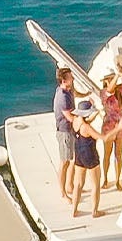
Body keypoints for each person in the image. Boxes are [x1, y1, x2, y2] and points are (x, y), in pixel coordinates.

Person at [67, 99, 104, 218]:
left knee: (78, 184)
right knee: (95, 184)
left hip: (79, 153)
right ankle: (95, 211)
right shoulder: (87, 128)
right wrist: (117, 129)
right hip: (90, 155)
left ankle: (74, 210)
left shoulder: (75, 122)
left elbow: (86, 121)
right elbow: (103, 138)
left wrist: (96, 113)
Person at [97, 75, 122, 191]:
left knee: (118, 154)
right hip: (109, 125)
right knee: (107, 154)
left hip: (120, 125)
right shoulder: (104, 93)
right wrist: (117, 74)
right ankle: (105, 178)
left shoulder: (120, 91)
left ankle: (117, 180)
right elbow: (109, 90)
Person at [52, 67, 77, 203]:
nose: (72, 79)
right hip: (64, 132)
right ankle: (63, 192)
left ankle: (69, 186)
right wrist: (83, 120)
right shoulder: (62, 97)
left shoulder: (66, 90)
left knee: (69, 160)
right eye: (70, 77)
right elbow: (69, 116)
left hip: (68, 130)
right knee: (64, 162)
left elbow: (75, 93)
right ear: (63, 80)